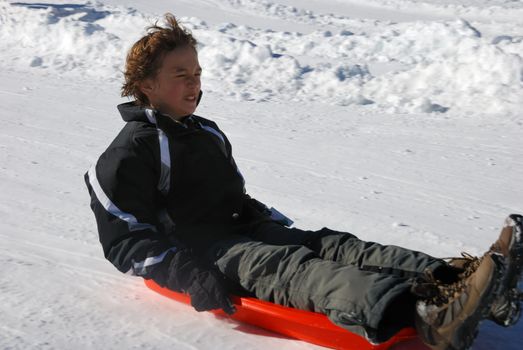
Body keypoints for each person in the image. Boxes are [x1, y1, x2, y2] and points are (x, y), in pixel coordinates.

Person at [84, 14, 522, 350]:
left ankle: (468, 280)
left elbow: (222, 192)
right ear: (145, 84)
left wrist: (253, 211)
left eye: (197, 73)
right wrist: (187, 273)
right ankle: (431, 317)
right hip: (207, 253)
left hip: (247, 229)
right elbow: (124, 238)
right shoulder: (131, 151)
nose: (195, 84)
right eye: (181, 75)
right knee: (304, 272)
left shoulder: (205, 130)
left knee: (340, 246)